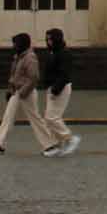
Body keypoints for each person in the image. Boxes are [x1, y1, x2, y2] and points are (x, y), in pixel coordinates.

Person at [0, 33, 41, 153]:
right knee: (8, 117)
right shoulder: (18, 57)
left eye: (15, 43)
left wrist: (23, 92)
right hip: (17, 91)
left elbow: (34, 77)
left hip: (26, 92)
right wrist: (10, 90)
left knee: (35, 118)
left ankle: (49, 143)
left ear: (22, 44)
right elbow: (14, 76)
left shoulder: (30, 57)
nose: (13, 46)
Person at [38, 28, 80, 158]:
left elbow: (65, 74)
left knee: (52, 117)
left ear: (56, 39)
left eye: (49, 39)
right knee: (50, 118)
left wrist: (56, 88)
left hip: (60, 88)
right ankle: (58, 144)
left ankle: (69, 138)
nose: (47, 41)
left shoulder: (64, 53)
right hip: (53, 87)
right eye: (46, 39)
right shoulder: (53, 52)